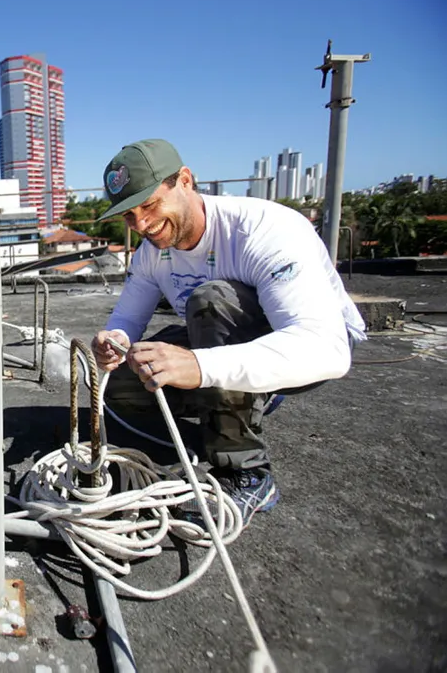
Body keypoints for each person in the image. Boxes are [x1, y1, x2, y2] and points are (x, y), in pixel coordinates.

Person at [90, 139, 366, 526]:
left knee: (210, 301)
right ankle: (242, 398)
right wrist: (113, 342)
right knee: (118, 382)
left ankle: (247, 473)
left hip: (302, 345)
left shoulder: (263, 229)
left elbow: (328, 350)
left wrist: (199, 366)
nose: (141, 225)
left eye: (149, 205)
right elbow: (127, 320)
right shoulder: (153, 251)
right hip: (218, 338)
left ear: (185, 180)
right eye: (129, 215)